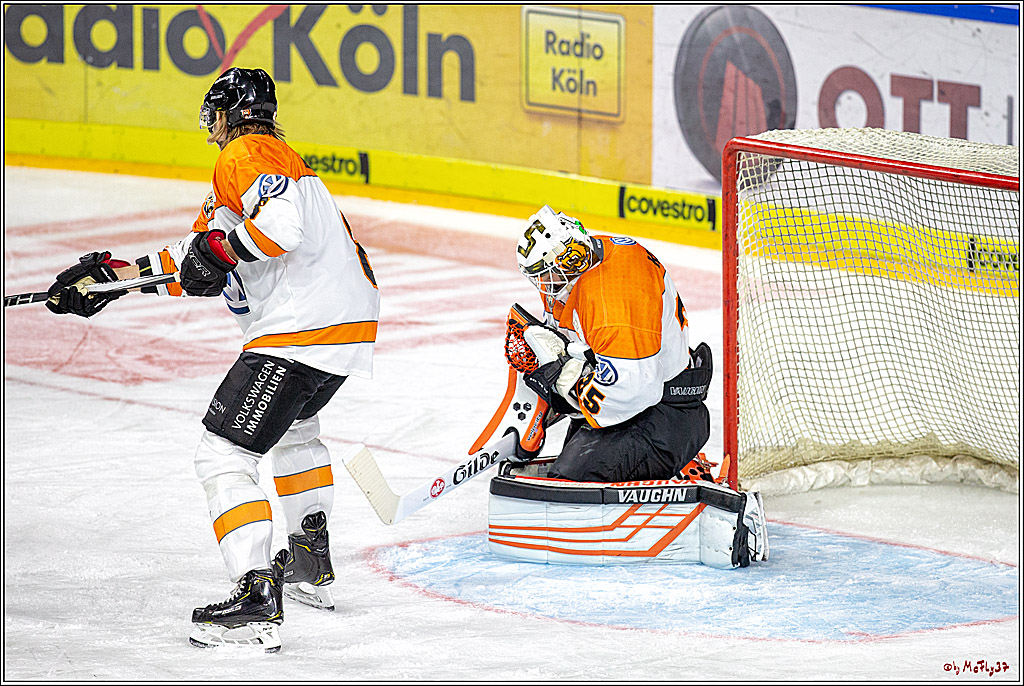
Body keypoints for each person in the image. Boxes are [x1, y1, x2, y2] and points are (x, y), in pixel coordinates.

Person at [44, 67, 381, 651]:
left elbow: (278, 232)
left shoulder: (247, 152)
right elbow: (196, 262)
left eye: (212, 120)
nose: (209, 133)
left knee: (222, 453)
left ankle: (254, 596)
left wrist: (217, 252)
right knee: (297, 433)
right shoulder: (272, 167)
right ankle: (307, 560)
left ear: (229, 116)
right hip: (346, 331)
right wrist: (110, 280)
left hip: (297, 329)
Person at [513, 205, 712, 483]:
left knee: (571, 482)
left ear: (566, 261)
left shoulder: (613, 300)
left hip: (665, 409)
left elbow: (635, 390)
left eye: (545, 274)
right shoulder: (583, 267)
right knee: (572, 462)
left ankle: (680, 460)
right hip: (641, 390)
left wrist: (570, 384)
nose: (542, 284)